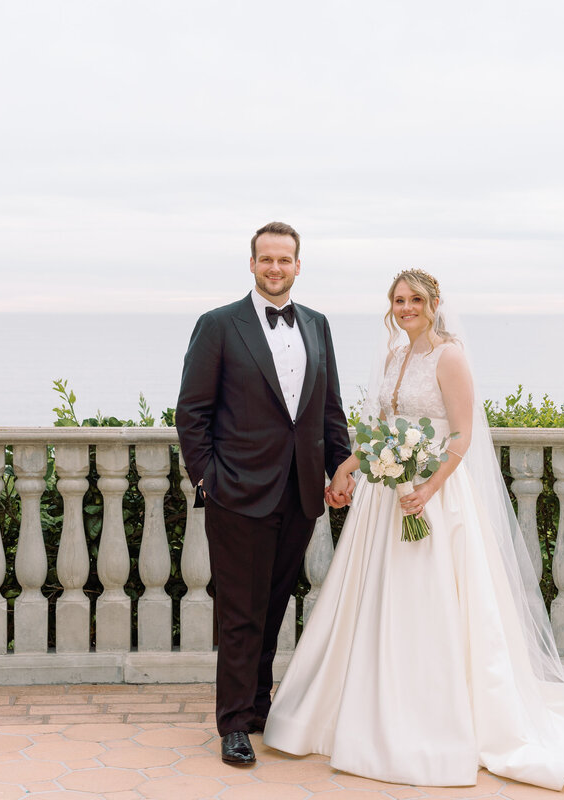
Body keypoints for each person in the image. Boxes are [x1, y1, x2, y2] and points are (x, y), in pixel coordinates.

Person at [263, 269, 564, 790]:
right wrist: (348, 468)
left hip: (435, 497)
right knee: (377, 601)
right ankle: (367, 709)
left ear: (435, 302)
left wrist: (427, 488)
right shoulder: (393, 356)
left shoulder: (450, 356)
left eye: (415, 300)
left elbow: (463, 436)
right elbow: (382, 430)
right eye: (398, 300)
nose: (406, 308)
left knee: (434, 604)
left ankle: (433, 719)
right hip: (386, 500)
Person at [175, 221, 354, 766]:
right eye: (266, 259)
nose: (275, 268)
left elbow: (328, 408)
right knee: (240, 612)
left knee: (273, 607)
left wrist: (339, 466)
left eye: (285, 260)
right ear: (252, 265)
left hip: (299, 494)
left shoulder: (319, 326)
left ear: (299, 266)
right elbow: (192, 412)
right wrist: (208, 478)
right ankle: (232, 722)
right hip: (238, 493)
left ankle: (257, 707)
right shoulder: (219, 325)